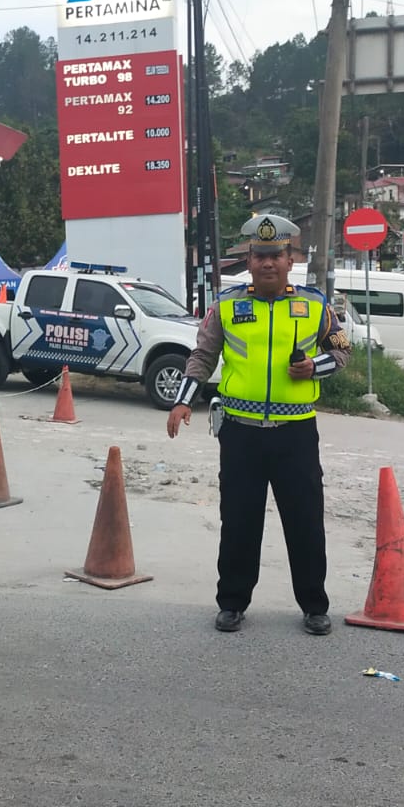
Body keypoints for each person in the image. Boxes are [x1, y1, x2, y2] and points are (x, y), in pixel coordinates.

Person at [166, 214, 350, 635]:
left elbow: (342, 351)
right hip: (241, 433)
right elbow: (202, 357)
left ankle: (314, 606)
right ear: (248, 261)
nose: (268, 263)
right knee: (239, 521)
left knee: (304, 521)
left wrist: (314, 367)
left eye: (276, 256)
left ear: (291, 260)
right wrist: (181, 402)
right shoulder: (226, 306)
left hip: (296, 435)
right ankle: (231, 603)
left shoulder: (316, 305)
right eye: (260, 255)